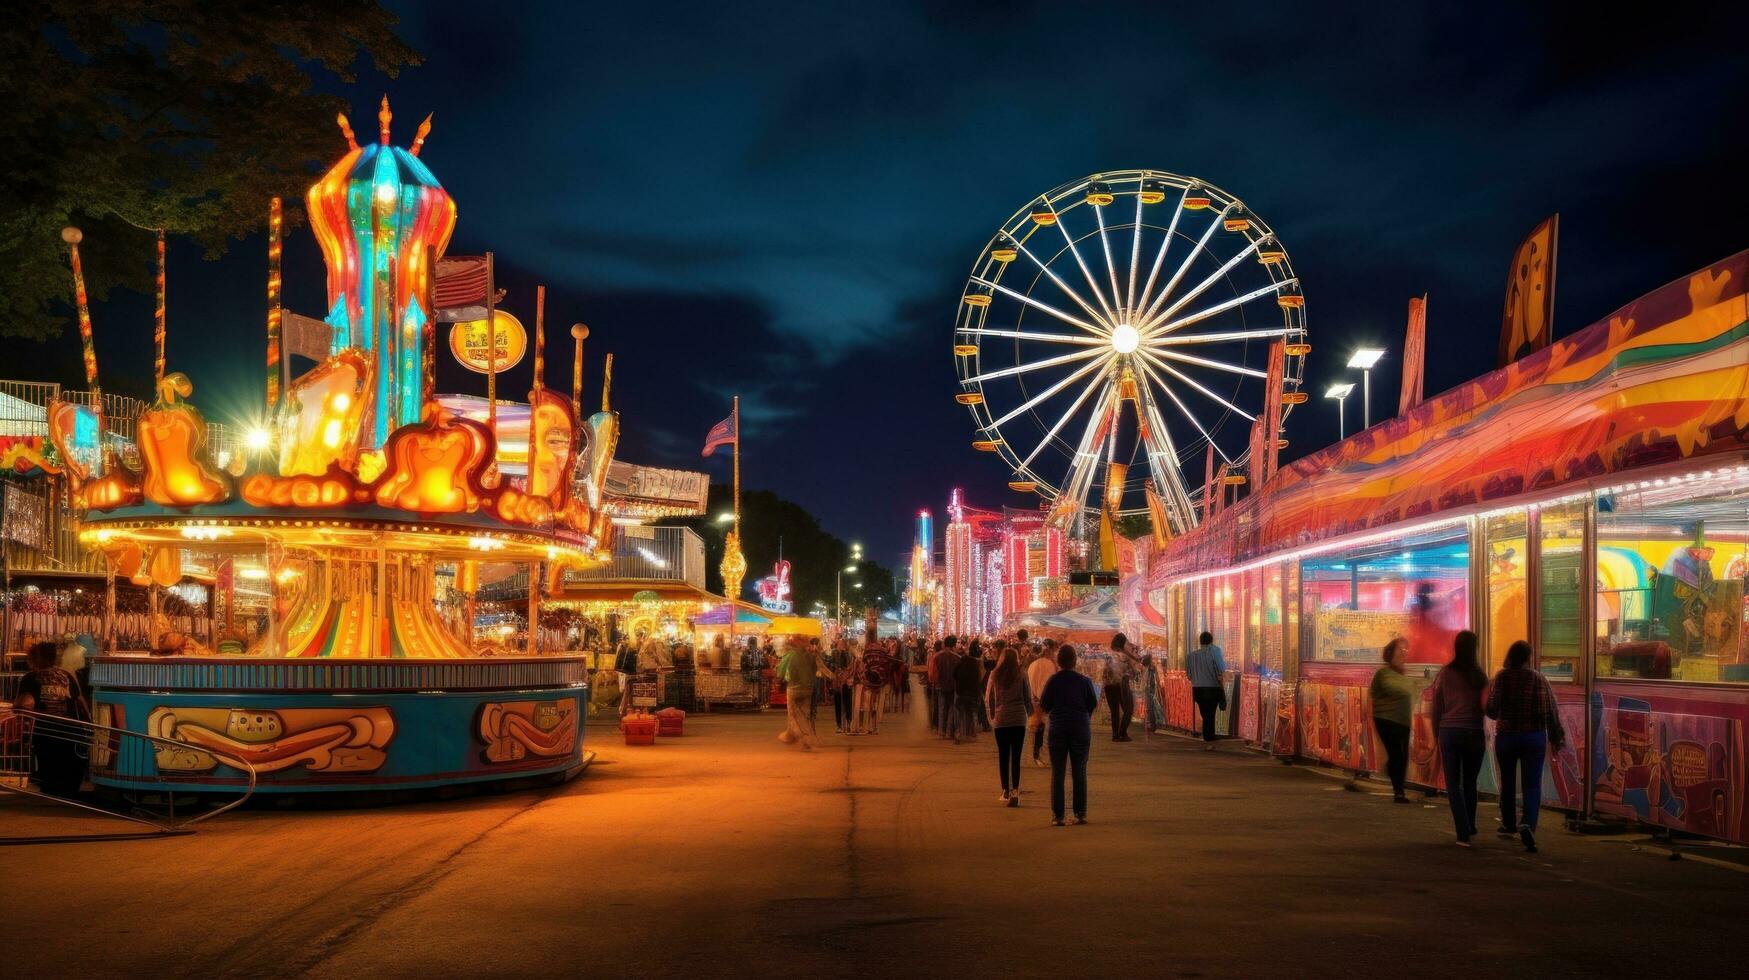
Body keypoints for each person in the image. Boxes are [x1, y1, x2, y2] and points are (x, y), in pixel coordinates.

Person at [1487, 640, 1566, 853]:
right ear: (1528, 658)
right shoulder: (1539, 679)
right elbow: (1550, 710)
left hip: (1507, 737)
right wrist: (1557, 737)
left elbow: (1493, 710)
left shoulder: (1501, 678)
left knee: (1508, 781)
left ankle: (1509, 823)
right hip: (1533, 738)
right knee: (1532, 785)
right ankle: (1528, 825)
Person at [1430, 630, 1489, 846]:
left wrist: (1436, 734)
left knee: (1453, 784)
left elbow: (1437, 707)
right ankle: (1471, 824)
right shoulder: (1480, 675)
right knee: (1470, 782)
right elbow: (1486, 706)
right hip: (1474, 733)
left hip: (1450, 733)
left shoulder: (1445, 674)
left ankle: (1463, 832)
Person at [12, 641, 87, 796]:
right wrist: (89, 724)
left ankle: (52, 796)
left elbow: (24, 703)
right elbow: (79, 702)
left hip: (46, 730)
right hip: (70, 729)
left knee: (49, 765)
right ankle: (67, 795)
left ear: (35, 658)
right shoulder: (66, 676)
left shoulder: (31, 678)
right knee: (67, 763)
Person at [1039, 643, 1098, 826]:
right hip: (1080, 728)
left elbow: (1045, 704)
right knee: (1079, 771)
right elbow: (1092, 704)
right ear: (1075, 660)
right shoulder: (1084, 681)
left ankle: (1058, 816)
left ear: (1059, 660)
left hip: (1058, 728)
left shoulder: (1053, 681)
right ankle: (1080, 813)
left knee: (1058, 772)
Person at [985, 643, 1034, 806]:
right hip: (1018, 719)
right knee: (1016, 756)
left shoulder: (995, 674)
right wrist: (1031, 713)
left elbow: (989, 698)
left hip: (1001, 718)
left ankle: (1005, 789)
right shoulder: (1022, 674)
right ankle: (1015, 790)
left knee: (1003, 755)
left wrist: (991, 717)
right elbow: (1027, 696)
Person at [1369, 638, 1415, 803]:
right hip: (1385, 719)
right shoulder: (1382, 674)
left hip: (1403, 721)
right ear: (1391, 653)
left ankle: (1396, 782)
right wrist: (1369, 718)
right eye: (1400, 649)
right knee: (1397, 753)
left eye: (1405, 649)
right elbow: (1372, 696)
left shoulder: (1404, 675)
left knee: (1403, 756)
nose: (1404, 652)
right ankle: (1399, 791)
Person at [776, 638, 828, 750]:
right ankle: (806, 740)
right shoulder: (810, 655)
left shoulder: (790, 655)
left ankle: (800, 736)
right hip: (808, 689)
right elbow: (816, 669)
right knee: (805, 716)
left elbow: (781, 672)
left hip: (793, 688)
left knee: (792, 716)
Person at [1186, 631, 1227, 748]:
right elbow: (1222, 668)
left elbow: (1189, 675)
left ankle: (1208, 736)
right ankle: (1209, 737)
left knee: (1205, 712)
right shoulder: (1214, 651)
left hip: (1197, 689)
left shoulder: (1191, 656)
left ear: (1200, 642)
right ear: (1211, 641)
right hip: (1212, 687)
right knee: (1210, 712)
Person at [1101, 632, 1136, 742]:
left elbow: (1105, 673)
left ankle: (1115, 735)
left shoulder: (1108, 655)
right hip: (1120, 685)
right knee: (1128, 709)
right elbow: (1133, 671)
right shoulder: (1124, 656)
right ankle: (1122, 732)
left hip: (1109, 686)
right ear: (1122, 643)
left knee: (1114, 711)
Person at [1026, 643, 1057, 767]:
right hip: (1046, 702)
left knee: (1036, 729)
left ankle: (1035, 756)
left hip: (1034, 700)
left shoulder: (1033, 665)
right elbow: (1050, 683)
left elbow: (1030, 682)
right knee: (1044, 730)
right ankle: (1041, 756)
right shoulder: (1050, 665)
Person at [952, 640, 984, 743]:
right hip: (973, 693)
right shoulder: (975, 666)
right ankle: (972, 734)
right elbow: (980, 677)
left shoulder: (959, 665)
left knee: (960, 715)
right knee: (972, 714)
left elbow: (955, 676)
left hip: (961, 693)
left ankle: (959, 734)